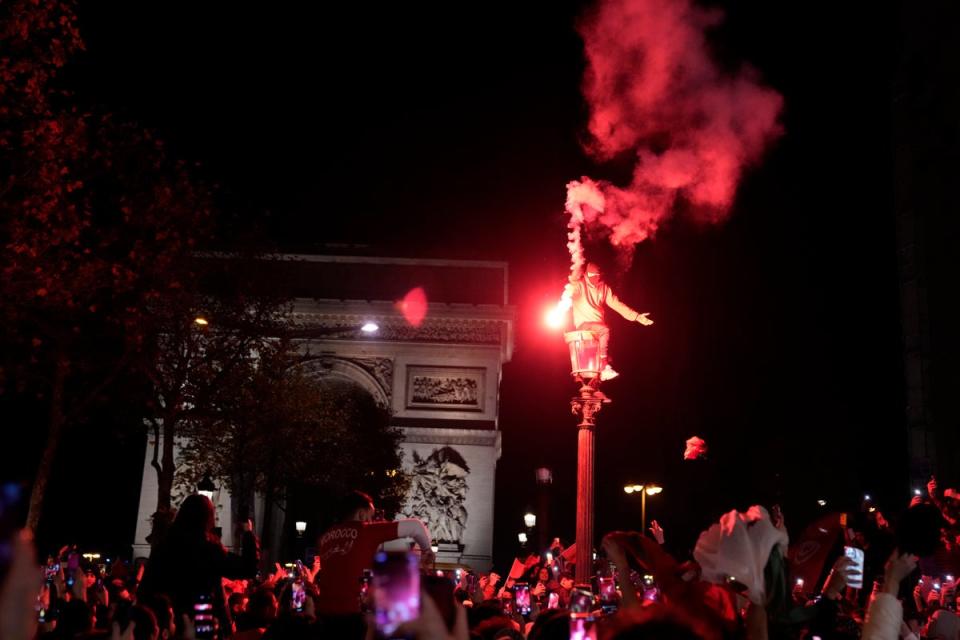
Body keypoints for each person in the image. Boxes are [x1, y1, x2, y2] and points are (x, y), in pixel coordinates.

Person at [137, 494, 259, 635]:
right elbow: (247, 568)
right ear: (208, 519)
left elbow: (146, 589)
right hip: (201, 622)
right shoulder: (208, 550)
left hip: (167, 624)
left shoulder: (164, 546)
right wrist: (248, 533)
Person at [315, 490, 433, 618]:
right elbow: (415, 526)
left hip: (324, 614)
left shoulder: (324, 538)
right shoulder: (366, 531)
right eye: (370, 517)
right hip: (354, 614)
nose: (371, 522)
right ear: (361, 514)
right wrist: (427, 550)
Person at [564, 262, 653, 380]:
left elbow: (616, 304)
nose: (596, 279)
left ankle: (598, 378)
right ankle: (604, 367)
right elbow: (569, 293)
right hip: (584, 325)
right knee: (605, 330)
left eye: (598, 276)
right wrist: (567, 295)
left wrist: (636, 316)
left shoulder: (603, 288)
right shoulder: (580, 286)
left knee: (607, 349)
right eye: (593, 276)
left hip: (597, 327)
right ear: (587, 275)